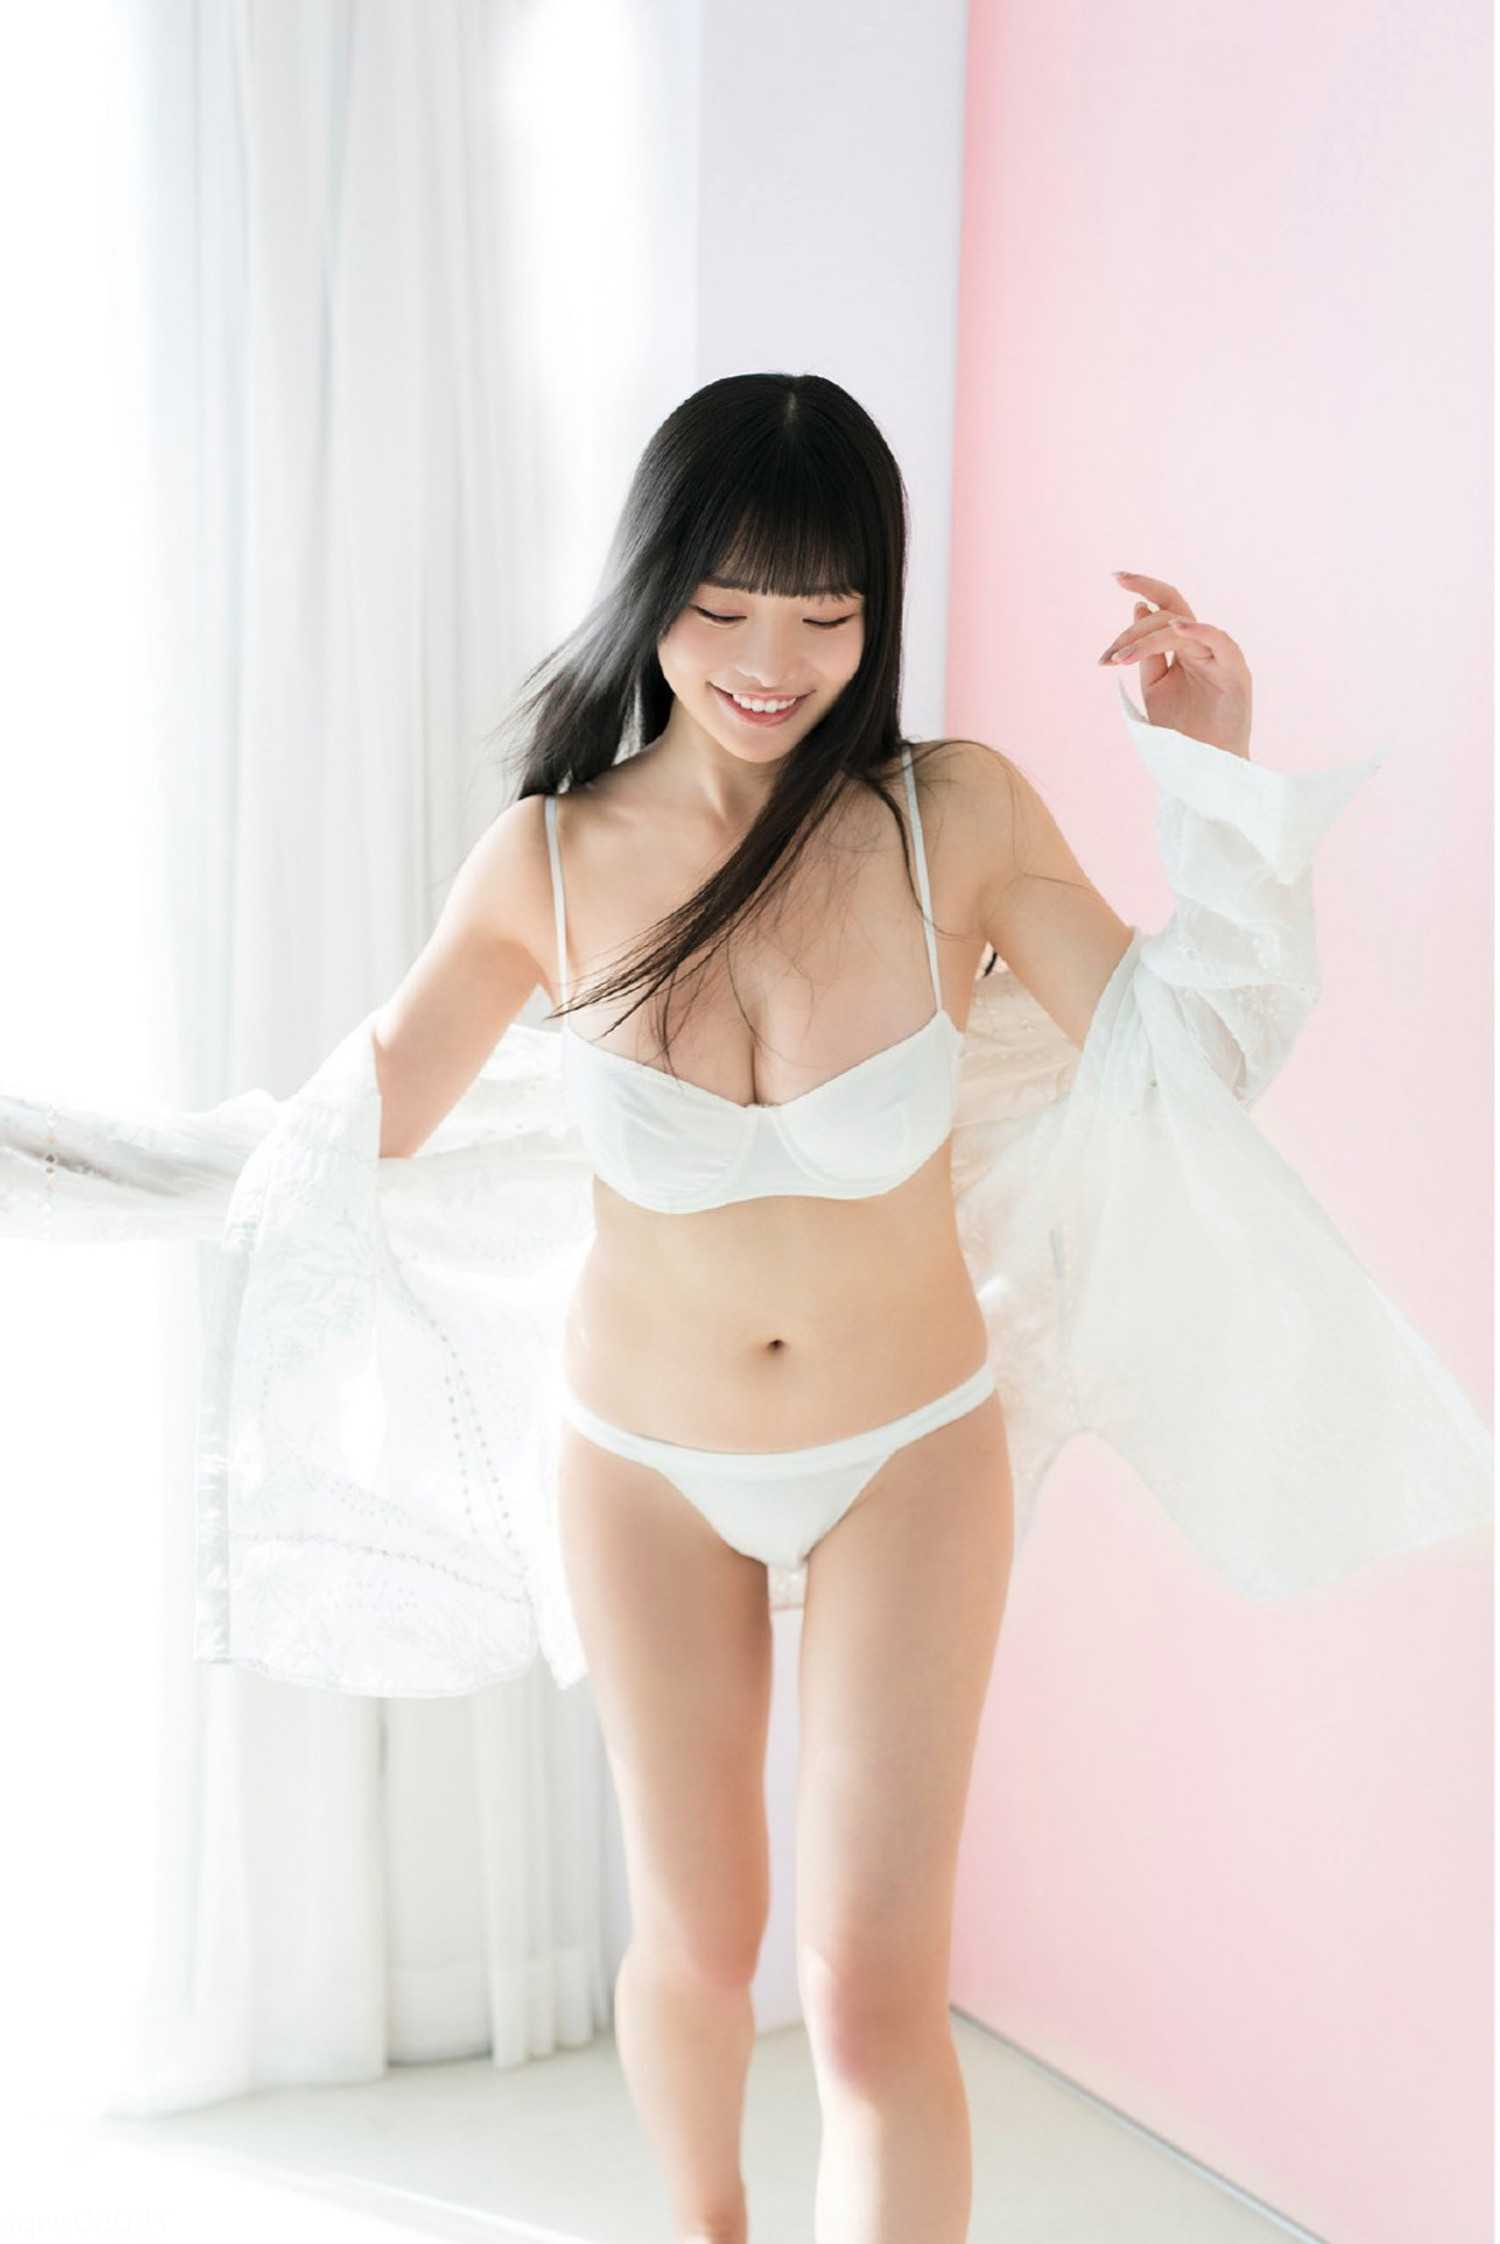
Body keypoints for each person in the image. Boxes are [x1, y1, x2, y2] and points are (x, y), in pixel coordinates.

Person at [2, 373, 1490, 2244]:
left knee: (870, 1991)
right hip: (648, 1465)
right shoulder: (551, 861)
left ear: (878, 613)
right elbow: (337, 1132)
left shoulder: (955, 819)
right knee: (699, 1947)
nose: (772, 664)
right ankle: (705, 2224)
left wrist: (1218, 774)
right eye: (721, 610)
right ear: (650, 593)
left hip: (911, 1454)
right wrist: (63, 1165)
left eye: (824, 615)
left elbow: (1192, 1062)